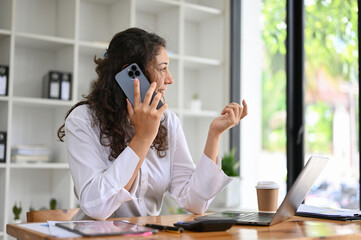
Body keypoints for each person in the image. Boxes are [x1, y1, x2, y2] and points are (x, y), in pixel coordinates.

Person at [57, 27, 248, 220]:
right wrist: (143, 137)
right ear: (131, 75)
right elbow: (97, 207)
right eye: (162, 68)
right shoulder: (83, 120)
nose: (170, 79)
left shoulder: (168, 121)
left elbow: (194, 202)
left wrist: (214, 134)